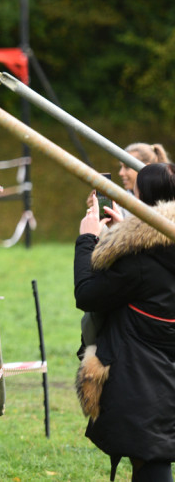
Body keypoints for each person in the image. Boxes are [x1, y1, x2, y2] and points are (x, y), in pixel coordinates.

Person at [75, 162, 175, 481]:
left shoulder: (141, 259)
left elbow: (87, 294)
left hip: (143, 370)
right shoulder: (161, 246)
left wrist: (87, 240)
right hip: (164, 363)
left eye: (132, 192)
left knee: (150, 457)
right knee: (153, 453)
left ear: (142, 199)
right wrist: (122, 233)